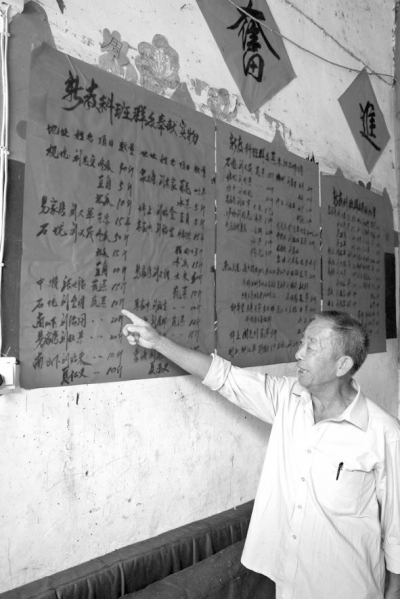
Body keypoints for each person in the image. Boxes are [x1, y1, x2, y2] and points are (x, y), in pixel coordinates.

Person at [121, 309, 400, 599]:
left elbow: (396, 527)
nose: (298, 353)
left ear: (342, 364)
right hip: (291, 583)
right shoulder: (287, 399)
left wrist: (394, 592)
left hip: (348, 587)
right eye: (302, 342)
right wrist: (158, 341)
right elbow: (224, 376)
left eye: (311, 347)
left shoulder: (383, 433)